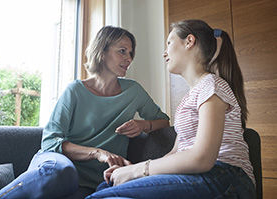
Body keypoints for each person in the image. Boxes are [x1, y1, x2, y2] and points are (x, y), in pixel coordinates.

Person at [0, 26, 169, 199]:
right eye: (122, 51)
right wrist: (98, 153)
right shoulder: (75, 90)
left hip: (91, 183)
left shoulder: (134, 92)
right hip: (57, 165)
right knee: (63, 173)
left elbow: (163, 121)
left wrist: (145, 125)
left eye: (131, 53)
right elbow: (50, 141)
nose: (129, 58)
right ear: (102, 51)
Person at [86, 19, 256, 199]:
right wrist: (129, 170)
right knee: (105, 188)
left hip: (226, 177)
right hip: (199, 176)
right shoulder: (189, 97)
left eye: (169, 43)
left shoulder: (211, 85)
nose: (164, 53)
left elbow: (203, 159)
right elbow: (176, 152)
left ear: (189, 42)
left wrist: (138, 170)